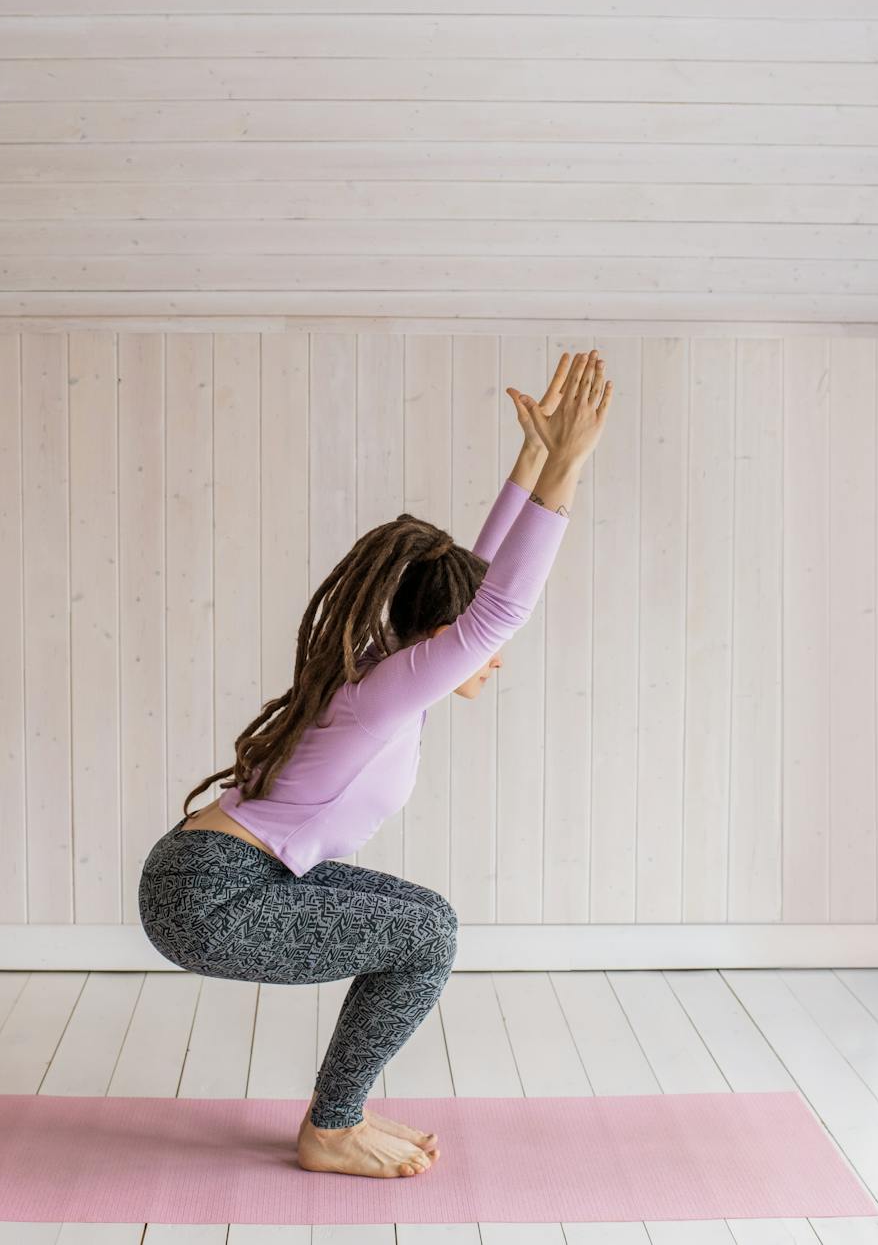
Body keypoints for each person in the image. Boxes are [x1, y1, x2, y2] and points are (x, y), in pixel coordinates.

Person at [137, 349, 614, 1178]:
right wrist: (569, 465)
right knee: (427, 935)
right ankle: (332, 1127)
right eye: (478, 646)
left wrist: (531, 459)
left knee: (428, 918)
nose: (494, 658)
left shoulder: (391, 671)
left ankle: (335, 1114)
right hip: (207, 895)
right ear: (440, 638)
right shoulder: (390, 687)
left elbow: (479, 582)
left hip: (228, 873)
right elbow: (500, 604)